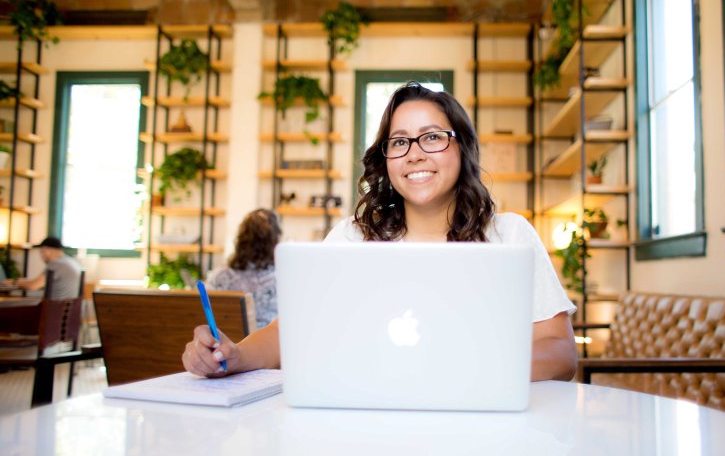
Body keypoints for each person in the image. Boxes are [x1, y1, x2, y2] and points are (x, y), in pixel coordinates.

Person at [183, 82, 578, 382]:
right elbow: (289, 332)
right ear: (385, 159)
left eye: (433, 137)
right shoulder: (351, 239)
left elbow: (560, 351)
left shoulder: (509, 235)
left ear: (463, 148)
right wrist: (233, 357)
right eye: (400, 141)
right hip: (368, 421)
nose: (415, 153)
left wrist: (461, 373)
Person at [204, 208, 281, 329]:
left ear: (241, 240)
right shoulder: (282, 278)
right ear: (275, 240)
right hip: (271, 346)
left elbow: (205, 315)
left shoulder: (220, 276)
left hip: (228, 343)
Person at [4, 236, 82, 300]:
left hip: (55, 311)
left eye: (41, 251)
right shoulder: (71, 262)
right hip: (68, 312)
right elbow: (38, 282)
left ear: (48, 250)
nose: (41, 255)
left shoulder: (56, 264)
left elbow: (33, 286)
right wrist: (20, 281)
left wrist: (13, 282)